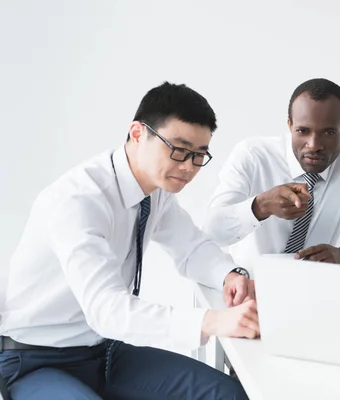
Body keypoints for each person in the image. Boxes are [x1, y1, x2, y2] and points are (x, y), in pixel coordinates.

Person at [0, 82, 259, 399]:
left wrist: (229, 275)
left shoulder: (156, 190)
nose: (188, 166)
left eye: (199, 156)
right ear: (137, 133)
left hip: (106, 353)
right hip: (35, 360)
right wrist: (212, 321)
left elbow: (190, 247)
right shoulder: (78, 200)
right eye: (178, 150)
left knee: (226, 394)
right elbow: (106, 310)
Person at [203, 78, 340, 267]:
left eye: (328, 133)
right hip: (248, 287)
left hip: (315, 290)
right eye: (302, 131)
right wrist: (260, 206)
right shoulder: (253, 155)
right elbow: (211, 232)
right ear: (290, 125)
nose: (313, 145)